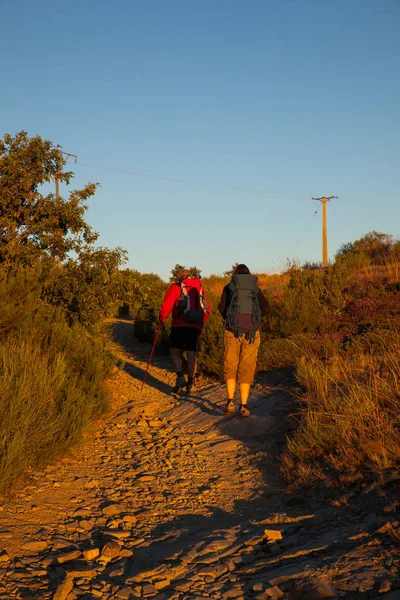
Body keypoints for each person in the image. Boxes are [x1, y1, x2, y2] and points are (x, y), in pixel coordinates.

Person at [218, 264, 269, 417]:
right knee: (247, 366)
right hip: (252, 332)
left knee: (230, 364)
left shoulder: (229, 287)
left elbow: (221, 308)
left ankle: (230, 402)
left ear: (235, 274)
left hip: (231, 330)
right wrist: (255, 321)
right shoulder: (255, 288)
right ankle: (244, 406)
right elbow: (266, 308)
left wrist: (231, 320)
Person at [159, 268, 210, 394]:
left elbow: (166, 306)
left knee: (175, 351)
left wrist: (161, 319)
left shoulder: (176, 288)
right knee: (191, 354)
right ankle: (191, 384)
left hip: (178, 325)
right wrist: (200, 322)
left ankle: (180, 377)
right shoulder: (199, 288)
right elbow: (207, 308)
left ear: (180, 278)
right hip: (195, 326)